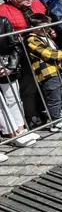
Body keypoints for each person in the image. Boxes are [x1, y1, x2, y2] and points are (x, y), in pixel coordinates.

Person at [25, 13, 62, 133]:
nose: (50, 29)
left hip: (57, 70)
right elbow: (51, 54)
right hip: (47, 73)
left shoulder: (45, 36)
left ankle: (56, 115)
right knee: (53, 97)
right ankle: (55, 122)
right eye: (46, 27)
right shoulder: (31, 39)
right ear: (37, 28)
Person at [0, 14, 28, 142]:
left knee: (13, 98)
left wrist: (10, 66)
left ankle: (20, 130)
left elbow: (15, 46)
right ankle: (10, 132)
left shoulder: (3, 21)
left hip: (6, 66)